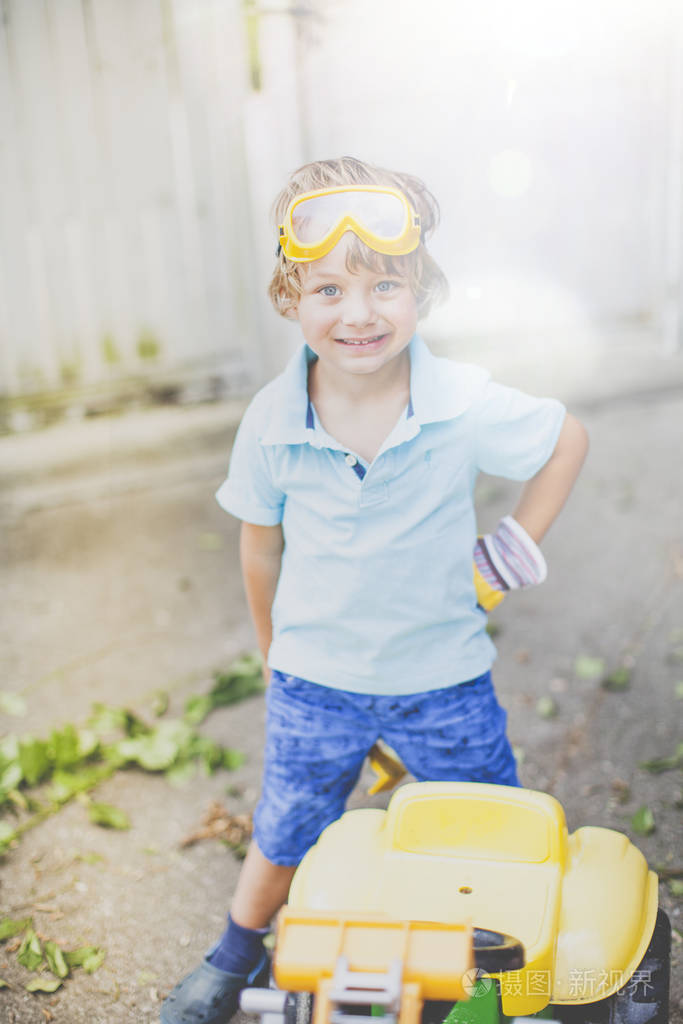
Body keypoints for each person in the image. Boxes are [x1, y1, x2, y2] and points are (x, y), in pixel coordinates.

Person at [160, 156, 589, 1024]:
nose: (357, 313)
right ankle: (237, 953)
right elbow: (258, 548)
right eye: (326, 291)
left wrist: (509, 548)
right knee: (285, 828)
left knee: (487, 829)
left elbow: (564, 440)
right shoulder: (271, 423)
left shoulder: (461, 401)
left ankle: (504, 969)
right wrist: (275, 657)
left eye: (384, 284)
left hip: (442, 682)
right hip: (317, 682)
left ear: (420, 291)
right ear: (289, 298)